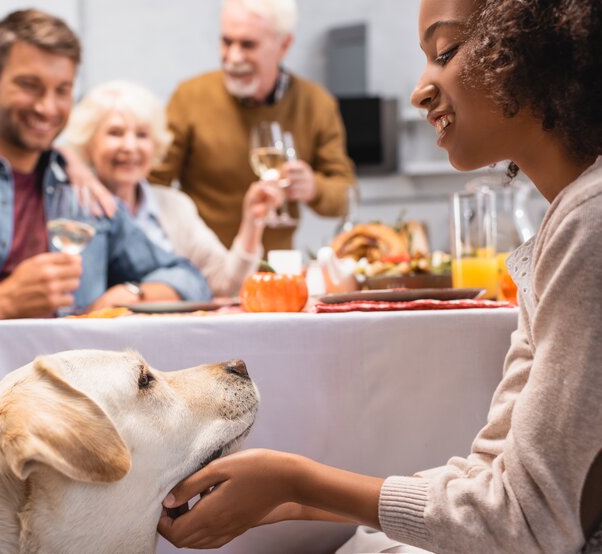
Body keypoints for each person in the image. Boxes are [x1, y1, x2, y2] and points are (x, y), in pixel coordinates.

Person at [157, 0, 602, 551]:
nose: (419, 90)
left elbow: (527, 521)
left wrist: (298, 480)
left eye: (444, 52)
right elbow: (494, 476)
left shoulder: (590, 222)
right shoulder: (569, 221)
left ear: (534, 46)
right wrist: (296, 499)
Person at [0, 9, 210, 535]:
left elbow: (188, 278)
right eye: (30, 85)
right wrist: (0, 301)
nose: (48, 107)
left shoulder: (85, 193)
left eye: (62, 90)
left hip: (66, 396)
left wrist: (128, 290)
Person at [149, 0, 356, 252]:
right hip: (207, 266)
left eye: (248, 45)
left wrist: (314, 187)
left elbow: (346, 195)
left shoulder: (317, 104)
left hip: (276, 265)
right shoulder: (189, 97)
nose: (234, 58)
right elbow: (151, 185)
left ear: (284, 45)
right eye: (227, 42)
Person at [63, 80, 283, 297]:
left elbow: (226, 283)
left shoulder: (175, 205)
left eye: (142, 135)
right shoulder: (73, 207)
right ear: (88, 143)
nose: (130, 147)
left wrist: (252, 223)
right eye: (115, 133)